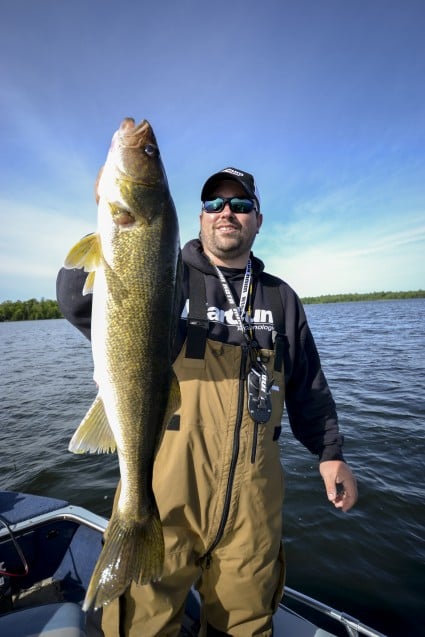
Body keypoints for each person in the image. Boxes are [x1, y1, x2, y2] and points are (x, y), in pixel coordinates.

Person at [56, 166, 358, 637]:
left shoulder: (282, 299)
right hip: (163, 497)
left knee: (246, 624)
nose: (226, 213)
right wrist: (107, 223)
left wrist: (330, 455)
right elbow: (76, 300)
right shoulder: (167, 276)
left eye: (240, 205)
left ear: (258, 219)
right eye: (215, 203)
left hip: (253, 511)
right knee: (143, 622)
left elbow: (308, 387)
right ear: (199, 219)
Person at [94, 117, 136, 204]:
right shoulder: (118, 137)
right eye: (128, 128)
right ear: (122, 126)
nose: (130, 133)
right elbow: (97, 196)